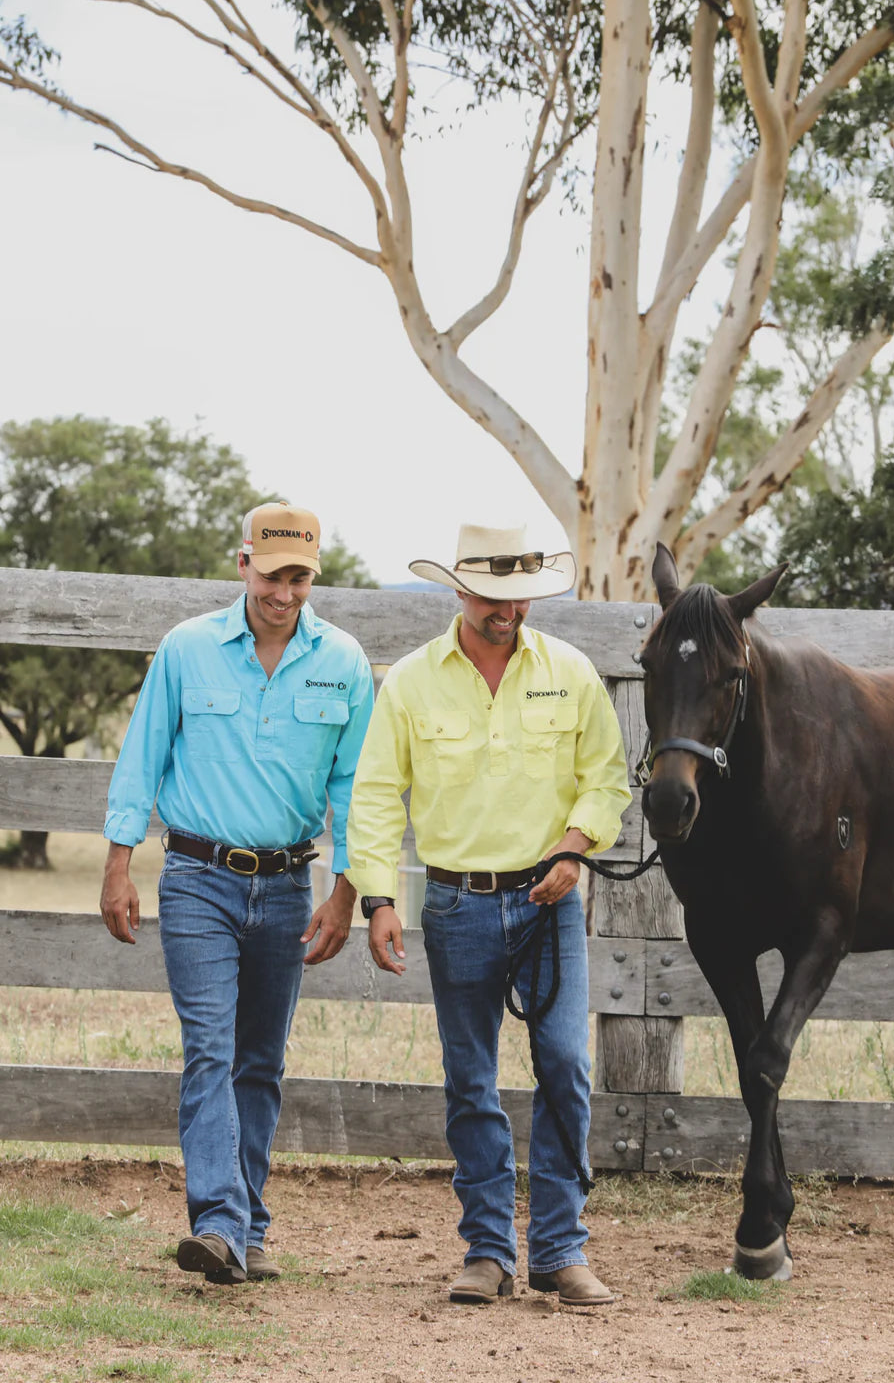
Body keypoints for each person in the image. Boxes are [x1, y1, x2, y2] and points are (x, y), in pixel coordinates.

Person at [346, 524, 631, 1306]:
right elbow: (374, 794)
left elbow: (606, 778)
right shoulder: (409, 682)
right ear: (460, 592)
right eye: (492, 597)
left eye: (519, 596)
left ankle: (560, 1248)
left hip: (548, 902)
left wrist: (574, 849)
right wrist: (378, 899)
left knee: (566, 1066)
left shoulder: (570, 673)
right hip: (455, 901)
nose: (508, 610)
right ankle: (486, 1249)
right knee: (470, 1077)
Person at [100, 501, 373, 1285]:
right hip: (196, 880)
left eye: (299, 578)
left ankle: (245, 1224)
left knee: (260, 1061)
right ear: (243, 561)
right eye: (271, 572)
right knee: (210, 1049)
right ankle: (218, 1219)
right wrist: (118, 864)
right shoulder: (187, 650)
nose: (283, 592)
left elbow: (356, 790)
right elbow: (141, 757)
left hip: (289, 886)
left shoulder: (345, 663)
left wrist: (346, 891)